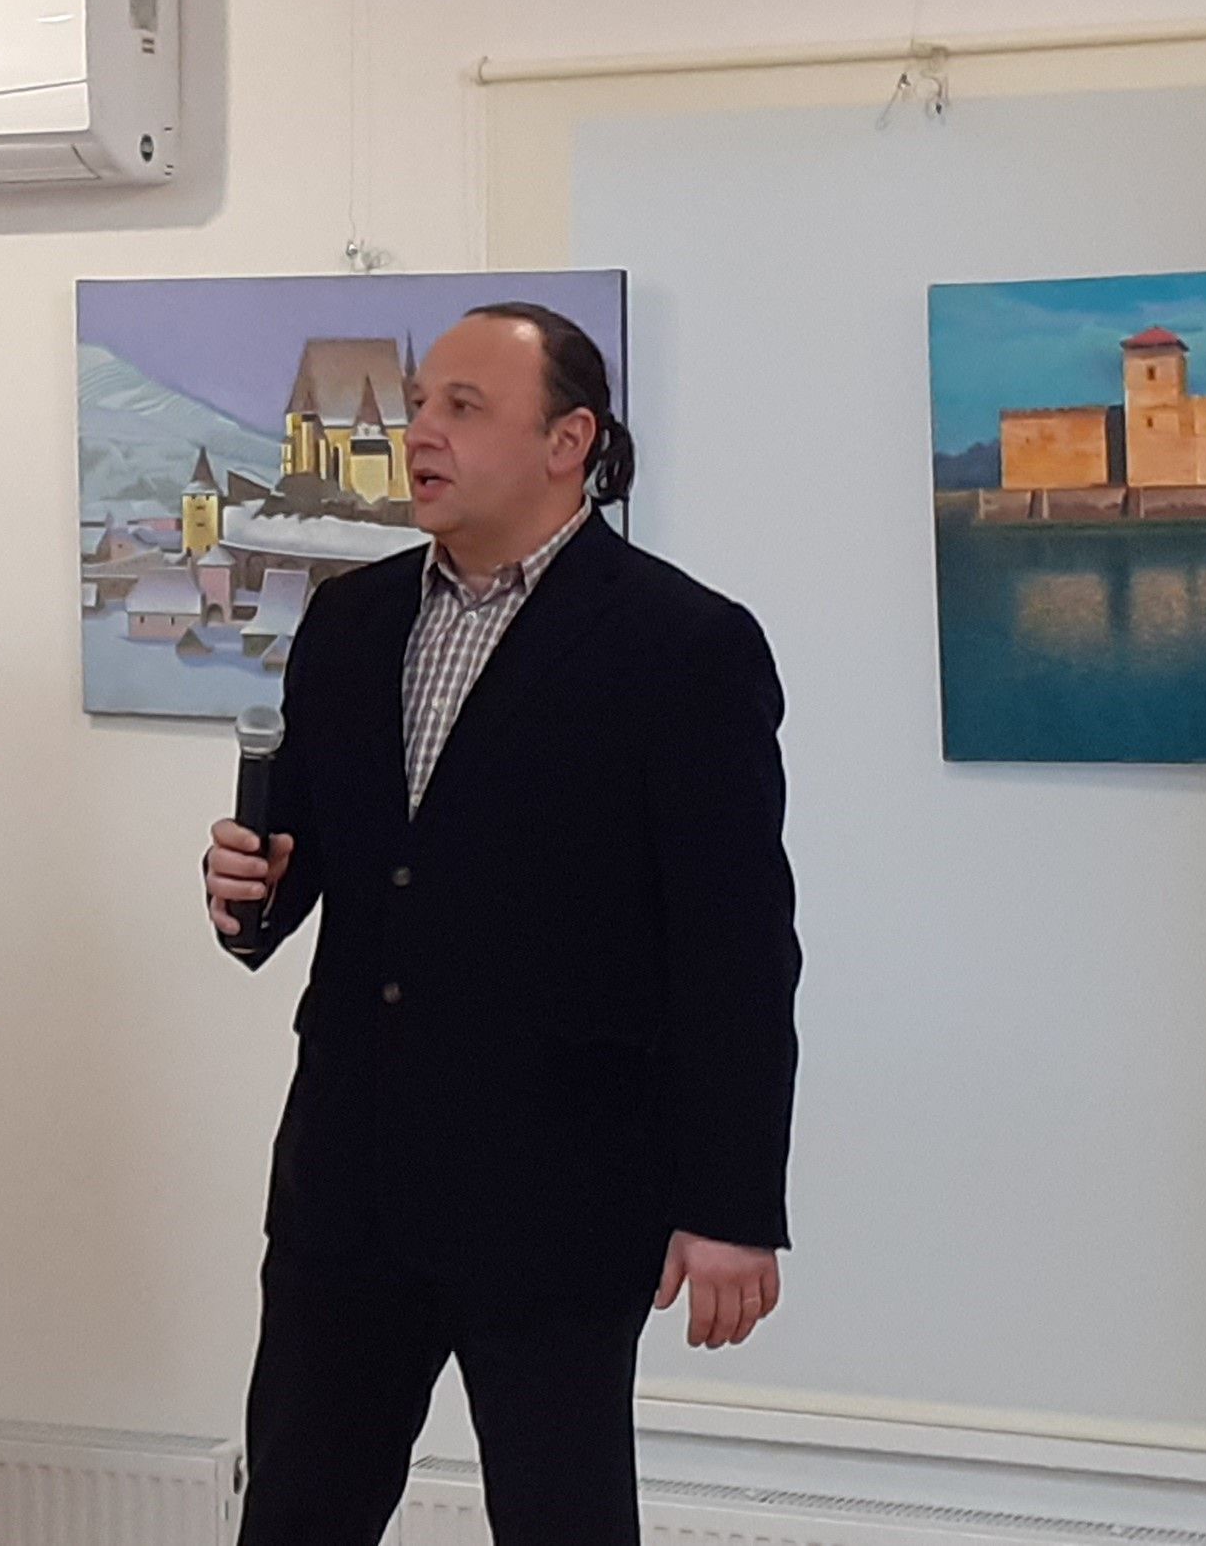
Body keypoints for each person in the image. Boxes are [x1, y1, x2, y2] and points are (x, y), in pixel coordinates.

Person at [199, 302, 802, 1545]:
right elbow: (312, 866)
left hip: (560, 1199)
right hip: (347, 1188)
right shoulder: (350, 621)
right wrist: (245, 895)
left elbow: (737, 946)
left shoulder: (680, 644)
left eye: (462, 407)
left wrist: (731, 1202)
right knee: (295, 1518)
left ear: (566, 441)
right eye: (419, 403)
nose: (419, 431)